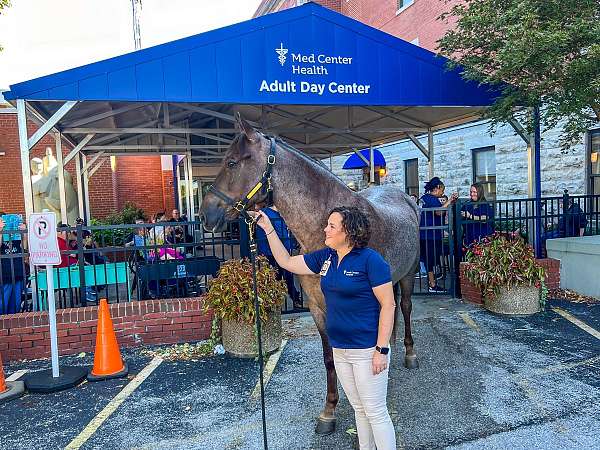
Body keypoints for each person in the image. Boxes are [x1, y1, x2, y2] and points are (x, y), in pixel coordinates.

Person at [253, 206, 396, 450]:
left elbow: (389, 305)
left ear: (348, 232)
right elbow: (286, 261)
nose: (325, 229)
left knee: (375, 411)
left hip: (367, 350)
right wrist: (268, 229)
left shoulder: (371, 261)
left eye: (331, 226)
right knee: (359, 409)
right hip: (339, 349)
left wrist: (381, 349)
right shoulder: (326, 258)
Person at [254, 201, 301, 308]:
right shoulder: (265, 213)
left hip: (284, 250)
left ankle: (294, 298)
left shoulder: (284, 214)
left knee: (287, 275)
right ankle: (275, 301)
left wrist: (292, 243)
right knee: (275, 276)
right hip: (269, 251)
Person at [419, 177, 458, 292]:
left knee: (429, 259)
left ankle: (434, 279)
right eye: (442, 190)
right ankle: (432, 285)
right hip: (430, 234)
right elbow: (439, 211)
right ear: (437, 188)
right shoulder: (432, 199)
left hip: (423, 233)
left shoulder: (423, 198)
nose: (442, 193)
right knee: (430, 259)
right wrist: (449, 201)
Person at [0, 213, 27, 315]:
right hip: (4, 274)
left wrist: (24, 232)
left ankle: (13, 326)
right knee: (3, 304)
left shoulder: (15, 234)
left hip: (18, 270)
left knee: (16, 304)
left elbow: (23, 247)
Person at [460, 182, 494, 248]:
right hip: (469, 238)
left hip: (482, 238)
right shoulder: (468, 203)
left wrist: (470, 216)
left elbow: (485, 218)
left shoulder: (484, 204)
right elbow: (460, 214)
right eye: (471, 192)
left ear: (480, 192)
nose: (472, 194)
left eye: (474, 192)